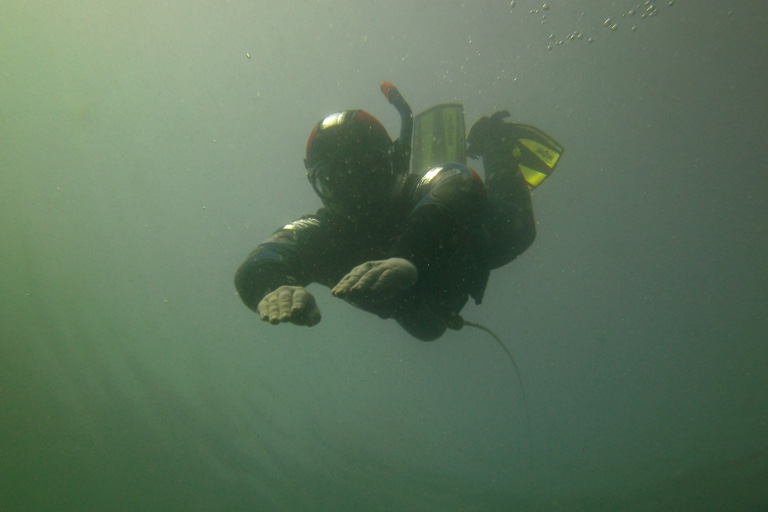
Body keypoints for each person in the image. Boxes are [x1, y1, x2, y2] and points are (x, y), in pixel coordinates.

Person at [234, 86, 562, 341]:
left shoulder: (421, 186)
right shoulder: (321, 233)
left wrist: (409, 257)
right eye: (336, 179)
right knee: (427, 328)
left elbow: (458, 179)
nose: (357, 194)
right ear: (316, 185)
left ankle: (494, 142)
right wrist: (273, 286)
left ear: (392, 163)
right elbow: (269, 253)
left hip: (474, 244)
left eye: (368, 170)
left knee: (517, 228)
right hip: (423, 311)